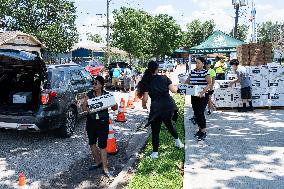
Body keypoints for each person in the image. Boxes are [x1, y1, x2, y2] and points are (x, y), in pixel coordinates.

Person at [137, 61, 184, 159]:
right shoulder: (164, 78)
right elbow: (174, 90)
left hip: (157, 108)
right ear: (157, 68)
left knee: (155, 130)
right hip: (169, 105)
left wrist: (144, 105)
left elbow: (145, 99)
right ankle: (178, 142)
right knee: (169, 124)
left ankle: (155, 153)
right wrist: (183, 87)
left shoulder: (147, 81)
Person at [83, 76, 118, 178]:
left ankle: (105, 168)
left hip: (103, 122)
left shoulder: (107, 95)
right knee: (92, 143)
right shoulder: (89, 94)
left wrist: (113, 103)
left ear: (101, 85)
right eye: (93, 83)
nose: (93, 85)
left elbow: (115, 107)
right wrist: (89, 110)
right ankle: (98, 162)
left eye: (96, 83)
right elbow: (84, 106)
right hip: (91, 122)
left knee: (102, 145)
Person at [185, 57, 212, 141]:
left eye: (198, 63)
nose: (197, 64)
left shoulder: (205, 72)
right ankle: (200, 129)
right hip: (194, 96)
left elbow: (209, 83)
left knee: (200, 113)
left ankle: (203, 131)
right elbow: (187, 82)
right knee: (196, 113)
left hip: (203, 96)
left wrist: (202, 92)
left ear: (203, 64)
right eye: (196, 63)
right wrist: (182, 86)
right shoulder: (192, 72)